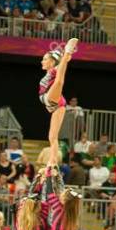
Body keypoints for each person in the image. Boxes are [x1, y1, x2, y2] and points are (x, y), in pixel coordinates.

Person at [38, 38, 79, 166]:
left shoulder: (55, 69)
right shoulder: (49, 72)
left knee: (59, 80)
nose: (42, 61)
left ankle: (67, 50)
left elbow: (62, 64)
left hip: (54, 100)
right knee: (52, 137)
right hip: (53, 105)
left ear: (51, 61)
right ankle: (53, 160)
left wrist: (66, 56)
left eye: (45, 59)